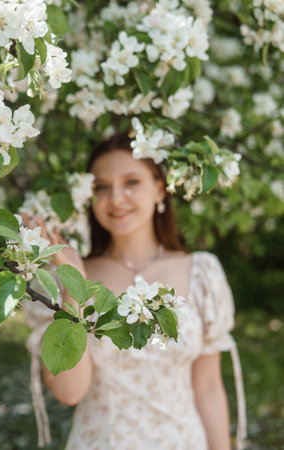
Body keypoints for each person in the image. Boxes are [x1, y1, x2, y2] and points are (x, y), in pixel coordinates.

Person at [23, 134, 246, 450]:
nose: (116, 198)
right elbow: (69, 392)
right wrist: (74, 284)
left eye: (131, 182)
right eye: (101, 187)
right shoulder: (64, 277)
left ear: (159, 189)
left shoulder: (201, 272)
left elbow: (209, 387)